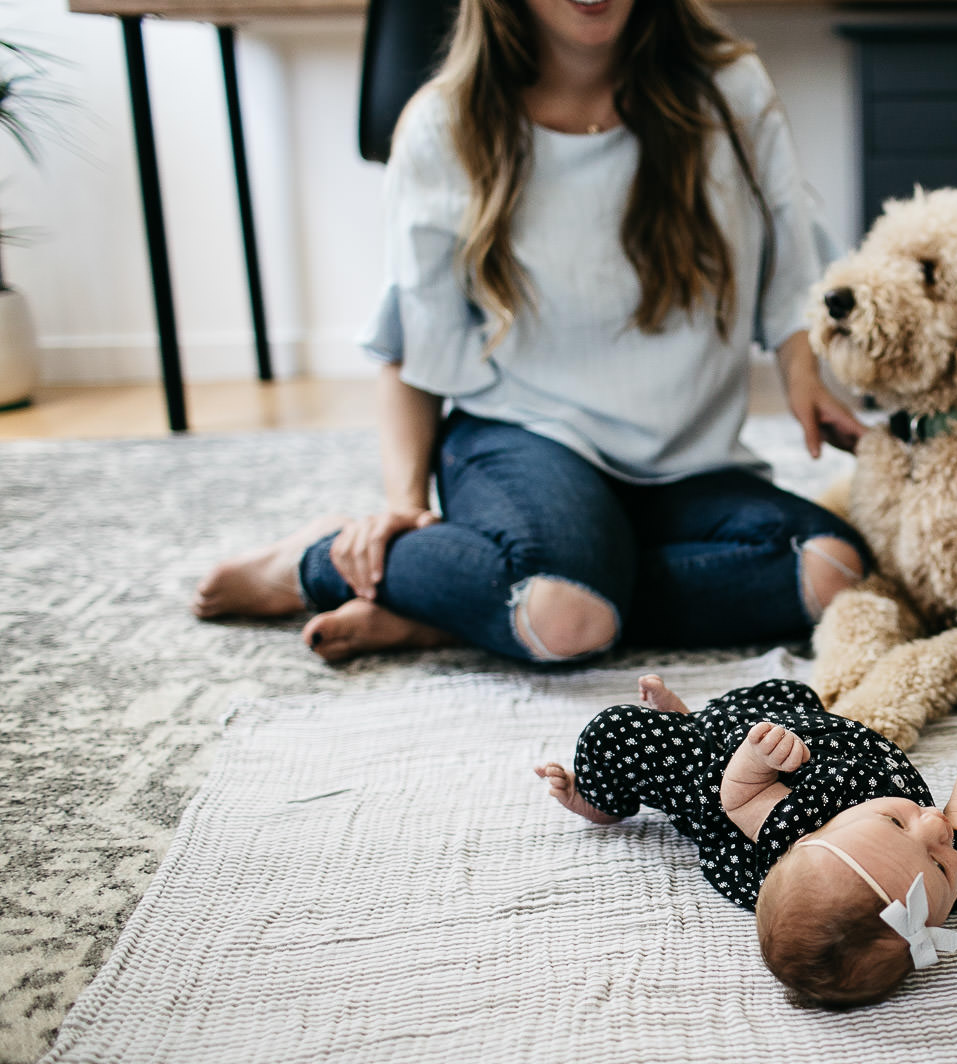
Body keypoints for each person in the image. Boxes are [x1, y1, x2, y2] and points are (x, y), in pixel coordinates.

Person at [192, 0, 868, 663]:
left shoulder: (731, 90)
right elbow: (412, 343)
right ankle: (321, 559)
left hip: (685, 464)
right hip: (523, 436)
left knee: (831, 573)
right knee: (569, 616)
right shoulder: (443, 124)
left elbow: (789, 250)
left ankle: (482, 605)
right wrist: (404, 508)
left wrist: (803, 376)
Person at [536, 675, 957, 1007]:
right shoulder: (954, 873)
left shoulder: (789, 824)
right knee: (791, 693)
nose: (937, 828)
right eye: (940, 861)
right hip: (817, 747)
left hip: (738, 792)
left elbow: (739, 799)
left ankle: (602, 799)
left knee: (617, 732)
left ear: (818, 831)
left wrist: (756, 760)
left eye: (906, 829)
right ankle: (700, 721)